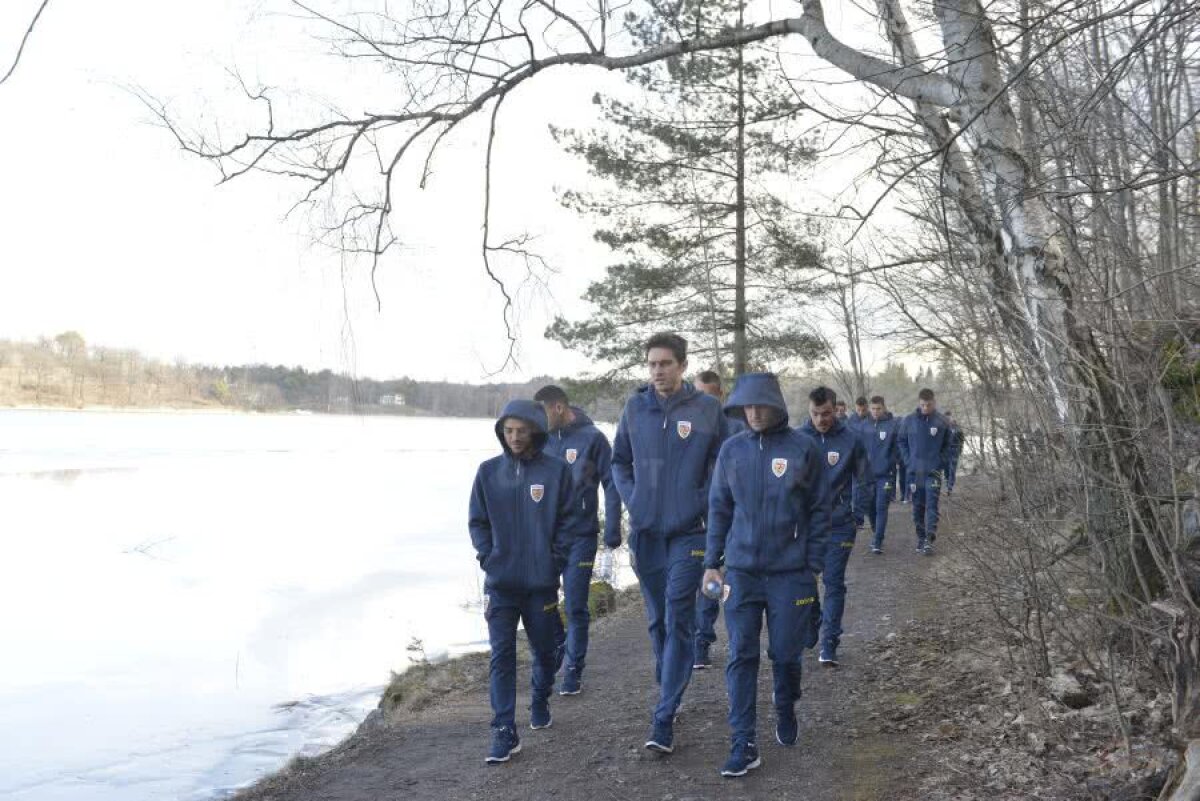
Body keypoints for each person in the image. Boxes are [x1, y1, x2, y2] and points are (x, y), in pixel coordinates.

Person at [704, 373, 828, 777]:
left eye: (761, 406)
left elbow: (821, 509)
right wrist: (712, 561)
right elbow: (720, 508)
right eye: (747, 407)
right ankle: (743, 742)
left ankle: (785, 703)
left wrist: (811, 562)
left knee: (786, 654)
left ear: (776, 406)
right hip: (741, 572)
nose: (754, 414)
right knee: (741, 652)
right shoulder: (731, 451)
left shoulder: (802, 448)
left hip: (790, 573)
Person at [612, 333, 726, 754]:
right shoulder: (635, 408)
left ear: (682, 365)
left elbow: (723, 461)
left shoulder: (708, 409)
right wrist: (634, 498)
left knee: (679, 614)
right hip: (646, 534)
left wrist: (705, 502)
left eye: (665, 363)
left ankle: (663, 717)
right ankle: (670, 682)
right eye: (652, 364)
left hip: (690, 532)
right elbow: (619, 460)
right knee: (657, 619)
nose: (658, 371)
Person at [468, 400, 578, 763]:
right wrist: (488, 557)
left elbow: (568, 522)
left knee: (548, 652)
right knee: (501, 655)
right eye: (508, 431)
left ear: (535, 431)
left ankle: (540, 695)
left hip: (540, 585)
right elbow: (478, 522)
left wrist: (554, 561)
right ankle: (503, 730)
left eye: (521, 430)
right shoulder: (487, 472)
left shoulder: (557, 471)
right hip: (500, 584)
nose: (514, 437)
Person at [534, 385, 622, 696]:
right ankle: (556, 647)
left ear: (558, 407)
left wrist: (613, 526)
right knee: (541, 601)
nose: (538, 420)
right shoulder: (540, 439)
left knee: (574, 603)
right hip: (545, 537)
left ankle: (573, 668)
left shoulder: (592, 438)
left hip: (581, 536)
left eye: (542, 412)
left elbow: (612, 483)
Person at [800, 386, 869, 667]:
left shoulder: (852, 439)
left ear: (835, 409)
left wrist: (857, 514)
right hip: (804, 526)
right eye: (815, 414)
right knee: (805, 581)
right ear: (809, 411)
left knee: (833, 582)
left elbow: (864, 480)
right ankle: (813, 616)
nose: (821, 420)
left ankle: (830, 642)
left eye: (826, 413)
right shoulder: (797, 438)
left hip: (840, 524)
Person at [691, 369, 743, 671]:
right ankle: (702, 640)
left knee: (731, 577)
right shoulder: (689, 429)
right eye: (698, 396)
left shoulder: (736, 428)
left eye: (708, 396)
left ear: (719, 396)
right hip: (699, 516)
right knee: (708, 576)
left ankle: (736, 638)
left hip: (732, 515)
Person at [898, 388, 953, 555]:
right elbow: (901, 441)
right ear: (919, 403)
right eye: (922, 405)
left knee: (931, 505)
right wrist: (908, 461)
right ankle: (921, 537)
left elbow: (949, 445)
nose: (925, 408)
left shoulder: (942, 421)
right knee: (918, 507)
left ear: (934, 403)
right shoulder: (909, 421)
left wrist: (940, 462)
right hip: (915, 473)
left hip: (933, 473)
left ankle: (929, 539)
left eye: (928, 405)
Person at [863, 396, 900, 554]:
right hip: (868, 476)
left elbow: (898, 448)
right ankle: (875, 532)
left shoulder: (892, 425)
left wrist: (891, 462)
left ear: (884, 408)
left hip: (886, 475)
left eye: (878, 408)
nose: (875, 412)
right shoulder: (864, 426)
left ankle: (878, 540)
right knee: (870, 508)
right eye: (873, 409)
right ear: (869, 409)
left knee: (881, 507)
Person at [849, 395, 871, 530]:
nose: (861, 412)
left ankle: (869, 512)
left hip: (872, 458)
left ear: (867, 407)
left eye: (863, 410)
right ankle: (858, 519)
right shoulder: (851, 421)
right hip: (857, 458)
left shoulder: (872, 419)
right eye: (859, 410)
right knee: (857, 487)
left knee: (868, 488)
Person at [943, 411, 964, 495]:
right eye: (946, 418)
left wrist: (959, 450)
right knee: (946, 470)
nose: (948, 419)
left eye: (949, 417)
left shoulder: (957, 428)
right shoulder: (943, 428)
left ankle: (949, 488)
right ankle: (947, 484)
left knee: (952, 469)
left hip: (954, 450)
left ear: (951, 417)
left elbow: (962, 440)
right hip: (946, 452)